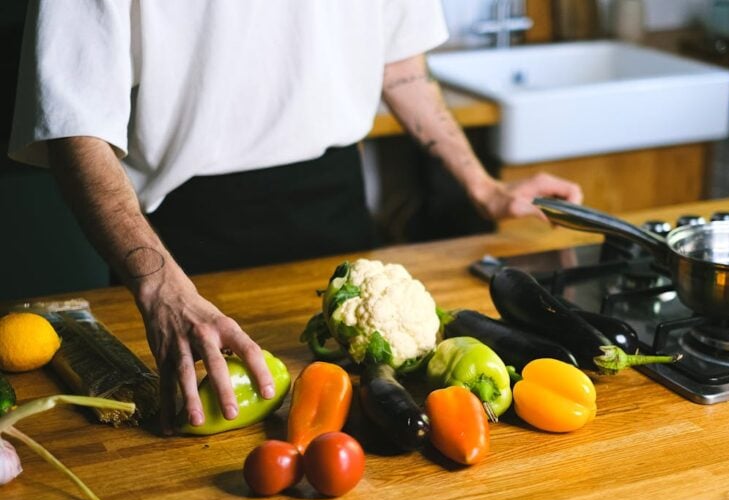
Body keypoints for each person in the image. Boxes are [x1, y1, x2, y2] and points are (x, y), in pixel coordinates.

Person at [9, 1, 583, 434]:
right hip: (178, 254)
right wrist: (159, 287)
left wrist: (483, 188)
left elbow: (400, 63)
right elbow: (73, 123)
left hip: (338, 226)